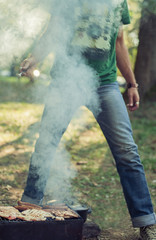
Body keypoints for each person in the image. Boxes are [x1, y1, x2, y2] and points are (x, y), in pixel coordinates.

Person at [20, 0, 156, 239]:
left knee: (127, 151)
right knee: (46, 144)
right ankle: (28, 208)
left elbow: (119, 42)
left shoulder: (118, 2)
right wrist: (34, 58)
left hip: (105, 85)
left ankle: (146, 221)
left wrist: (132, 83)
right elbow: (53, 31)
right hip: (65, 81)